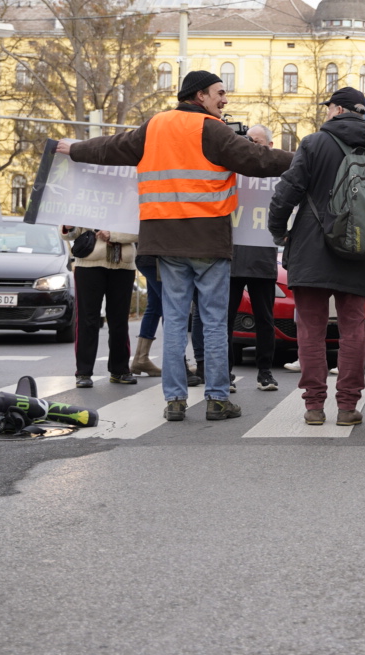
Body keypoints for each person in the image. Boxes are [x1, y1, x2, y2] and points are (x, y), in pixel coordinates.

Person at [61, 69, 292, 422]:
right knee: (214, 323)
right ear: (199, 95)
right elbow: (257, 160)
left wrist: (74, 149)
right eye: (219, 92)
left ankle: (175, 401)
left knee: (175, 324)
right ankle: (216, 398)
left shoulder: (155, 125)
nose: (224, 99)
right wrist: (304, 159)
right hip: (208, 243)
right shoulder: (212, 129)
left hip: (164, 244)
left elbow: (112, 147)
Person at [269, 89, 365, 425]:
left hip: (311, 251)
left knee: (311, 330)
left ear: (338, 109)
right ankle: (347, 407)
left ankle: (314, 406)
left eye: (328, 107)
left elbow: (287, 192)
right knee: (353, 329)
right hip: (358, 254)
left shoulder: (314, 144)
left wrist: (278, 232)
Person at [230, 124, 281, 392]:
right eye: (248, 141)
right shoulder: (234, 169)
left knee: (265, 319)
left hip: (262, 258)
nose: (252, 145)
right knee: (225, 319)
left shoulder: (277, 176)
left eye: (257, 141)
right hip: (234, 258)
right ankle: (223, 373)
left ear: (270, 146)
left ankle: (265, 373)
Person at [62, 226, 139, 388]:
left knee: (119, 320)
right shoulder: (83, 201)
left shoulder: (132, 202)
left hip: (123, 265)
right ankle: (83, 371)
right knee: (87, 319)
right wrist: (69, 227)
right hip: (89, 263)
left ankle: (120, 370)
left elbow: (140, 231)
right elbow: (69, 235)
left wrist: (114, 235)